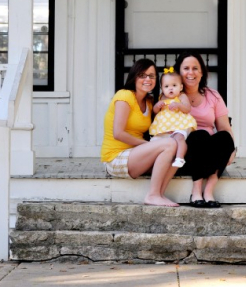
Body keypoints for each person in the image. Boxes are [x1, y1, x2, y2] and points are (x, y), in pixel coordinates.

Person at [101, 59, 179, 207]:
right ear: (134, 77)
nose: (147, 79)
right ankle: (153, 195)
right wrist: (148, 145)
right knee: (169, 144)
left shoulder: (150, 102)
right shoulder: (125, 96)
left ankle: (159, 195)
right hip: (115, 157)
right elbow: (118, 133)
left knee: (178, 152)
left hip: (135, 154)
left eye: (152, 76)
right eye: (142, 75)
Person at [174, 52, 236, 208]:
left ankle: (208, 191)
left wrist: (232, 149)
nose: (191, 72)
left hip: (211, 153)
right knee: (199, 135)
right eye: (186, 68)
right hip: (186, 153)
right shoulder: (171, 96)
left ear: (201, 73)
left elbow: (224, 128)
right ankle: (196, 191)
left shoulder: (213, 96)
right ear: (179, 72)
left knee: (224, 138)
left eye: (195, 68)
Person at [149, 66, 197, 168]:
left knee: (180, 138)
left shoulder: (181, 96)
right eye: (166, 86)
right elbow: (155, 111)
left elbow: (188, 108)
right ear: (162, 88)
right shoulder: (162, 97)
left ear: (181, 87)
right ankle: (154, 160)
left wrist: (179, 105)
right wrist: (157, 106)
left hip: (180, 124)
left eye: (174, 85)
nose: (170, 88)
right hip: (165, 126)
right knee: (156, 141)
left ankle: (180, 158)